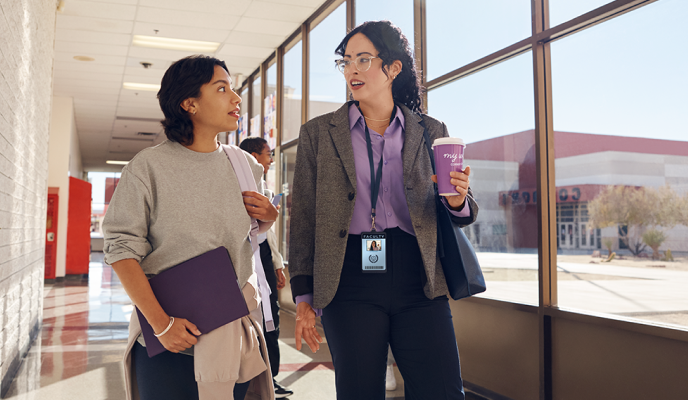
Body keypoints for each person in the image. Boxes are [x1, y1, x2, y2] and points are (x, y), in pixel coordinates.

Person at [289, 21, 478, 400]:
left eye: (363, 59)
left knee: (442, 391)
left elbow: (457, 209)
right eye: (346, 62)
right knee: (359, 390)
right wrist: (304, 297)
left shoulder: (429, 130)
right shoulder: (319, 133)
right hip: (349, 279)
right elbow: (305, 218)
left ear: (393, 69)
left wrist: (458, 200)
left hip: (419, 277)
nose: (352, 70)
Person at [103, 55, 278, 400]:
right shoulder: (148, 167)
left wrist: (268, 219)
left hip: (230, 332)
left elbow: (244, 236)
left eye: (234, 89)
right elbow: (121, 249)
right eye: (222, 88)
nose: (236, 98)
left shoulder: (244, 165)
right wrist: (162, 324)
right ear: (189, 103)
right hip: (168, 334)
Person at [239, 137, 294, 398]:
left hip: (264, 257)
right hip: (245, 258)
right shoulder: (240, 186)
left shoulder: (264, 188)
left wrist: (277, 264)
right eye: (268, 154)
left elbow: (268, 234)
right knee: (250, 318)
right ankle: (248, 378)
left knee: (271, 317)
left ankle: (270, 377)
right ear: (252, 156)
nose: (271, 160)